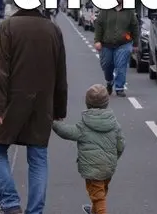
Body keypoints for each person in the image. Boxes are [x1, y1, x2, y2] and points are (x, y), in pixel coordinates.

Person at [0, 3, 68, 214]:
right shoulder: (53, 29)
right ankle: (35, 211)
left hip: (11, 103)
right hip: (42, 104)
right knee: (38, 157)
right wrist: (59, 108)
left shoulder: (8, 27)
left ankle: (11, 204)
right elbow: (61, 74)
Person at [52, 84, 125, 214]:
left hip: (92, 168)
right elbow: (120, 145)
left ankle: (99, 210)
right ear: (106, 103)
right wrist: (114, 157)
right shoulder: (114, 124)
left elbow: (67, 132)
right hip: (109, 166)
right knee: (101, 191)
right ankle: (94, 210)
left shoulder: (84, 125)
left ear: (87, 103)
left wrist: (54, 123)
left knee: (98, 196)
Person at [94, 0, 139, 97]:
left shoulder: (129, 11)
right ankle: (109, 82)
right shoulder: (105, 10)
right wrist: (97, 41)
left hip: (123, 43)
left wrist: (135, 44)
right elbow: (99, 25)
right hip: (106, 44)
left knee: (121, 65)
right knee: (107, 65)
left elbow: (134, 27)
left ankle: (119, 87)